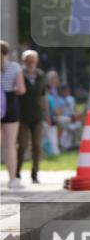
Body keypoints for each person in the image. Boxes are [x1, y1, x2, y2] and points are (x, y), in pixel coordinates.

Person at [17, 50, 48, 184]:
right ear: (24, 61)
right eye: (28, 61)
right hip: (21, 115)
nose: (31, 63)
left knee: (37, 145)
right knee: (23, 145)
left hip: (37, 115)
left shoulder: (41, 75)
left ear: (36, 61)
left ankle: (35, 173)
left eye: (33, 61)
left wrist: (47, 114)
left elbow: (43, 96)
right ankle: (17, 172)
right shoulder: (19, 74)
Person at [1, 42, 27, 189]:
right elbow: (22, 89)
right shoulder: (15, 67)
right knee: (10, 144)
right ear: (7, 53)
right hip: (10, 105)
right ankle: (12, 179)